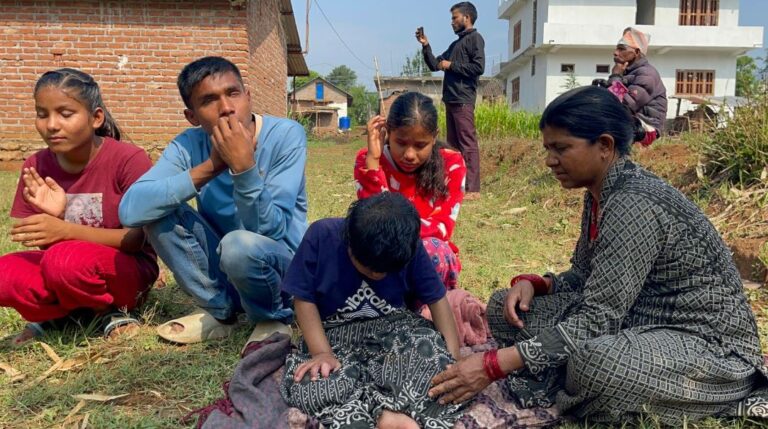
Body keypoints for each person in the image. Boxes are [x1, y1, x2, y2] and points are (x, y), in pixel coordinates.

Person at [427, 86, 767, 425]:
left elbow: (598, 319)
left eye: (561, 148)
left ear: (604, 145)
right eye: (548, 149)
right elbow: (583, 276)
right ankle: (569, 376)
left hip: (706, 345)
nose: (549, 161)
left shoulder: (632, 203)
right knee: (506, 309)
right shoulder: (600, 194)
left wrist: (492, 365)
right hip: (635, 320)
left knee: (594, 365)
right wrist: (539, 284)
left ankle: (719, 392)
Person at [118, 56, 308, 346]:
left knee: (238, 244)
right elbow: (131, 210)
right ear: (192, 117)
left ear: (248, 97)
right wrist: (213, 166)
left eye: (233, 93)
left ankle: (270, 317)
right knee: (157, 212)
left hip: (281, 274)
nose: (227, 108)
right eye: (209, 101)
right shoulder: (188, 144)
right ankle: (220, 311)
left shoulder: (285, 135)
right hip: (227, 270)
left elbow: (270, 231)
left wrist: (244, 168)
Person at [0, 68, 159, 346]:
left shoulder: (128, 159)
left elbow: (137, 239)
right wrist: (55, 218)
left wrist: (65, 229)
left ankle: (109, 311)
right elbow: (47, 248)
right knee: (8, 273)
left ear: (96, 118)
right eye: (42, 114)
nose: (51, 125)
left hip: (126, 268)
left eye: (65, 113)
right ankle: (60, 315)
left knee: (64, 260)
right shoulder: (36, 166)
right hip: (66, 268)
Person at [280, 193, 463, 429]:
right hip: (332, 336)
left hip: (396, 332)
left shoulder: (410, 245)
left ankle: (383, 411)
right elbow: (303, 298)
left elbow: (437, 300)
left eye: (385, 271)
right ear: (349, 241)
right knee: (311, 381)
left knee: (432, 357)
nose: (377, 274)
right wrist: (321, 352)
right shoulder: (321, 236)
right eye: (369, 267)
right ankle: (385, 414)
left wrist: (452, 360)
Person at [355, 92, 466, 290]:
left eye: (420, 145)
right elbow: (372, 223)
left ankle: (423, 305)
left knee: (434, 250)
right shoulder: (368, 160)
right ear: (388, 132)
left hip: (425, 258)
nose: (409, 155)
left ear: (434, 137)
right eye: (401, 143)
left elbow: (441, 228)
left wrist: (394, 231)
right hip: (381, 257)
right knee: (329, 234)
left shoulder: (452, 164)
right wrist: (373, 162)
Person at [416, 1, 484, 200]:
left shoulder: (475, 39)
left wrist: (451, 65)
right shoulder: (455, 45)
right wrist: (426, 45)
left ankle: (473, 189)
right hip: (451, 99)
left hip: (463, 99)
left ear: (467, 18)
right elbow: (435, 65)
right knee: (453, 146)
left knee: (467, 144)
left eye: (455, 17)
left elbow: (478, 68)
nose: (452, 22)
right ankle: (455, 185)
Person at [593, 27, 667, 147]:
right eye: (617, 48)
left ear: (636, 52)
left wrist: (615, 76)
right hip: (631, 122)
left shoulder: (647, 74)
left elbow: (623, 106)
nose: (615, 52)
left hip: (646, 129)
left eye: (622, 49)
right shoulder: (627, 72)